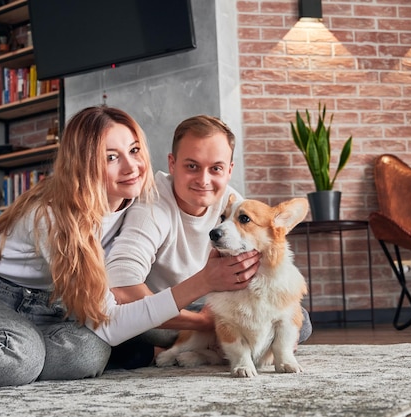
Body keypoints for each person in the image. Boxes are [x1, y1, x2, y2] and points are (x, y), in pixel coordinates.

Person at [0, 106, 259, 388]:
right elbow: (112, 321)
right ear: (85, 162)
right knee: (19, 358)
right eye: (111, 157)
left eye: (134, 150)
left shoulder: (133, 197)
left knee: (87, 356)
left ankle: (12, 351)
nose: (132, 167)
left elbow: (106, 316)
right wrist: (202, 296)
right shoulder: (55, 216)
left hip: (55, 306)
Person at [106, 115, 312, 363]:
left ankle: (209, 351)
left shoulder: (232, 204)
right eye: (192, 166)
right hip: (159, 314)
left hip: (209, 307)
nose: (204, 181)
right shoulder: (153, 207)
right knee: (137, 329)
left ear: (229, 170)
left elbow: (263, 260)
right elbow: (122, 292)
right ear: (172, 164)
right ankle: (168, 350)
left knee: (298, 317)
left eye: (216, 168)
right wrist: (204, 319)